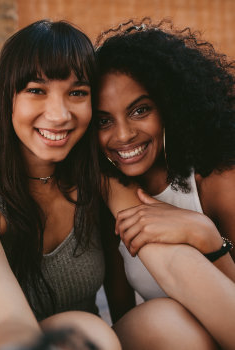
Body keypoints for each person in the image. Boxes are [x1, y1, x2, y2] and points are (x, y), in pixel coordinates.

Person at [0, 19, 142, 350]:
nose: (59, 114)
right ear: (8, 99)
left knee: (154, 321)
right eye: (36, 90)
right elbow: (2, 322)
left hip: (96, 341)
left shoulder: (98, 182)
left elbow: (124, 292)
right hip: (26, 344)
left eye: (77, 93)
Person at [95, 18, 235, 349]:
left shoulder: (218, 182)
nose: (124, 135)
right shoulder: (109, 194)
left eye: (140, 110)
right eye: (104, 120)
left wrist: (207, 238)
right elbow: (121, 309)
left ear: (170, 107)